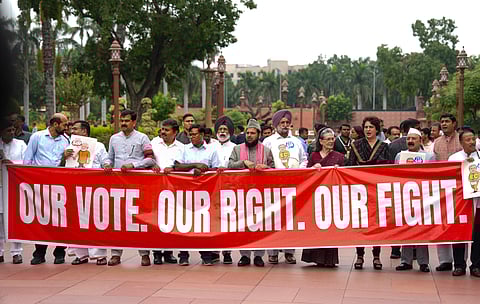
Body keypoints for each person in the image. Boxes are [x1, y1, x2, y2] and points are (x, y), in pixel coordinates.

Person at [103, 110, 155, 266]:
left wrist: (133, 165)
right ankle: (116, 254)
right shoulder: (114, 138)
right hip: (117, 185)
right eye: (122, 120)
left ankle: (144, 254)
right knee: (117, 220)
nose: (123, 123)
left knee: (139, 219)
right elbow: (109, 157)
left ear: (134, 122)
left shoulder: (142, 138)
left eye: (127, 120)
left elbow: (150, 159)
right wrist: (106, 164)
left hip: (137, 183)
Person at [170, 124, 220, 266]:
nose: (192, 137)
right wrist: (195, 165)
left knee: (203, 224)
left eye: (194, 134)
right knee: (184, 224)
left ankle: (206, 255)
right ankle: (183, 255)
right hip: (186, 192)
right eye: (190, 135)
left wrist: (205, 171)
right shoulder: (185, 149)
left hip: (205, 193)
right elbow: (177, 166)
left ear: (202, 135)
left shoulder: (212, 150)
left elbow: (216, 169)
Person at [23, 113, 70, 265]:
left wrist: (65, 156)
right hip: (39, 184)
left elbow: (66, 164)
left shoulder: (66, 140)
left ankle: (59, 252)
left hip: (60, 185)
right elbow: (28, 160)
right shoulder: (37, 137)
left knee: (61, 218)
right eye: (64, 124)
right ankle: (39, 252)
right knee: (41, 218)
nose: (66, 127)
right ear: (55, 124)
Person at [263, 109, 307, 264]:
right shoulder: (268, 141)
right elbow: (264, 161)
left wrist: (299, 171)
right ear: (276, 125)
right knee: (273, 218)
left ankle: (289, 252)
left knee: (291, 219)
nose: (285, 125)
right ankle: (273, 252)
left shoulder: (297, 141)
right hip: (273, 184)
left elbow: (304, 159)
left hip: (293, 184)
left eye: (287, 123)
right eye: (282, 123)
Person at [228, 119, 274, 267]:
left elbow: (274, 170)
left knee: (261, 225)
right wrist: (244, 163)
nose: (249, 135)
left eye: (252, 133)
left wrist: (265, 167)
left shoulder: (266, 150)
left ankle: (259, 255)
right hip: (242, 194)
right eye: (247, 132)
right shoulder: (237, 149)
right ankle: (245, 255)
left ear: (258, 134)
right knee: (243, 225)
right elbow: (229, 165)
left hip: (261, 194)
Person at [64, 120, 110, 266]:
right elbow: (60, 166)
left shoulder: (99, 146)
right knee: (77, 221)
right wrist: (63, 156)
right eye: (71, 129)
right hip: (74, 188)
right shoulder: (69, 147)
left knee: (97, 221)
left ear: (84, 131)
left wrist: (108, 165)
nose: (72, 132)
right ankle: (80, 254)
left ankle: (99, 255)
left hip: (95, 188)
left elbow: (106, 161)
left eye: (75, 129)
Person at [347, 116, 389, 270]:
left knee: (376, 224)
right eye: (365, 127)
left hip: (377, 191)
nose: (368, 130)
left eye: (371, 127)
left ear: (377, 129)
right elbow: (349, 166)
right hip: (359, 191)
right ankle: (359, 255)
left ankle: (376, 256)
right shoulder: (356, 146)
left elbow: (389, 169)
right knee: (361, 224)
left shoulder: (384, 146)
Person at [301, 127, 344, 268]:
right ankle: (314, 257)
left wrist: (340, 171)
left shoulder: (339, 157)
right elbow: (306, 174)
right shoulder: (314, 156)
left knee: (330, 227)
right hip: (316, 196)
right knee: (315, 226)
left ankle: (329, 259)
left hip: (333, 197)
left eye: (333, 139)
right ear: (321, 141)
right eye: (328, 139)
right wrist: (313, 169)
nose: (331, 142)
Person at [394, 128, 434, 273]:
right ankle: (406, 261)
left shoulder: (429, 156)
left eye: (413, 139)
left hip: (423, 198)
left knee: (422, 229)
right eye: (408, 139)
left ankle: (423, 262)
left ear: (420, 141)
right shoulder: (399, 156)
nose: (410, 141)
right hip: (405, 197)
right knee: (406, 229)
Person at [150, 119, 184, 265]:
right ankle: (156, 253)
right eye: (162, 129)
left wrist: (174, 169)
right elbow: (146, 159)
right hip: (154, 187)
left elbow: (183, 165)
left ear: (175, 132)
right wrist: (152, 165)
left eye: (166, 130)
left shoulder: (182, 147)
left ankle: (169, 252)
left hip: (173, 188)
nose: (163, 132)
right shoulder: (153, 143)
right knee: (156, 221)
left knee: (171, 220)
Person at [448, 127, 480, 277]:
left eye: (473, 139)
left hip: (478, 202)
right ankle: (459, 264)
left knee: (478, 235)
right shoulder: (454, 158)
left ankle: (476, 265)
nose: (471, 142)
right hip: (460, 203)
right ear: (461, 142)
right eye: (467, 140)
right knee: (459, 234)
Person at [433, 113, 462, 272]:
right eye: (442, 122)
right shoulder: (436, 143)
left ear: (454, 123)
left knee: (459, 224)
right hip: (441, 189)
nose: (443, 124)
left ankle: (460, 261)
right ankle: (444, 260)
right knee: (441, 224)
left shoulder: (462, 140)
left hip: (460, 189)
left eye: (447, 122)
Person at [0, 118, 26, 264]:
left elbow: (27, 163)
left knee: (15, 219)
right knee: (0, 220)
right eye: (7, 131)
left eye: (12, 130)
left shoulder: (21, 145)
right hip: (0, 186)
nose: (11, 133)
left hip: (15, 186)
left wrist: (13, 165)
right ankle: (0, 252)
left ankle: (17, 252)